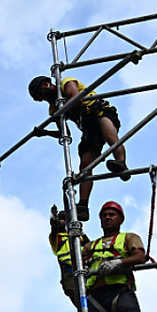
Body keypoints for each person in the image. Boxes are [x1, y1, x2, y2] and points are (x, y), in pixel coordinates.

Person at [29, 75, 130, 220]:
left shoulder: (66, 83)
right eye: (39, 99)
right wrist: (44, 132)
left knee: (110, 135)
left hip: (99, 111)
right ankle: (83, 205)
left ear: (46, 84)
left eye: (41, 94)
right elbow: (64, 133)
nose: (43, 99)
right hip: (88, 128)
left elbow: (77, 98)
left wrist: (61, 110)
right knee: (85, 166)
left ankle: (121, 163)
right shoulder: (53, 109)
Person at [49, 205, 90, 308]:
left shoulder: (77, 235)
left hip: (84, 266)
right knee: (72, 291)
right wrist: (54, 218)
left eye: (63, 219)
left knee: (91, 293)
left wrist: (82, 232)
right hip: (69, 270)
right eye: (59, 219)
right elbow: (54, 229)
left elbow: (90, 246)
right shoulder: (56, 237)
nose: (60, 221)